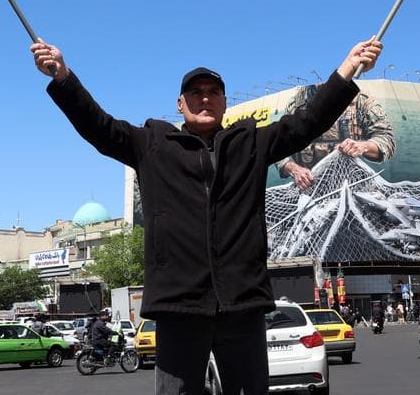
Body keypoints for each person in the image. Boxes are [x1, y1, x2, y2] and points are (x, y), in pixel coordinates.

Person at [31, 37, 381, 395]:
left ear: (225, 103)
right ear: (180, 103)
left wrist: (347, 69)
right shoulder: (151, 145)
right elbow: (98, 126)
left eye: (214, 91)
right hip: (179, 308)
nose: (205, 97)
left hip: (242, 305)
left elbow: (308, 121)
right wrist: (63, 77)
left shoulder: (252, 143)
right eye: (196, 92)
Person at [276, 86, 395, 190]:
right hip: (310, 190)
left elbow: (386, 138)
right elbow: (278, 147)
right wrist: (294, 169)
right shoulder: (296, 104)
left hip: (354, 187)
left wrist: (363, 146)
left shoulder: (360, 99)